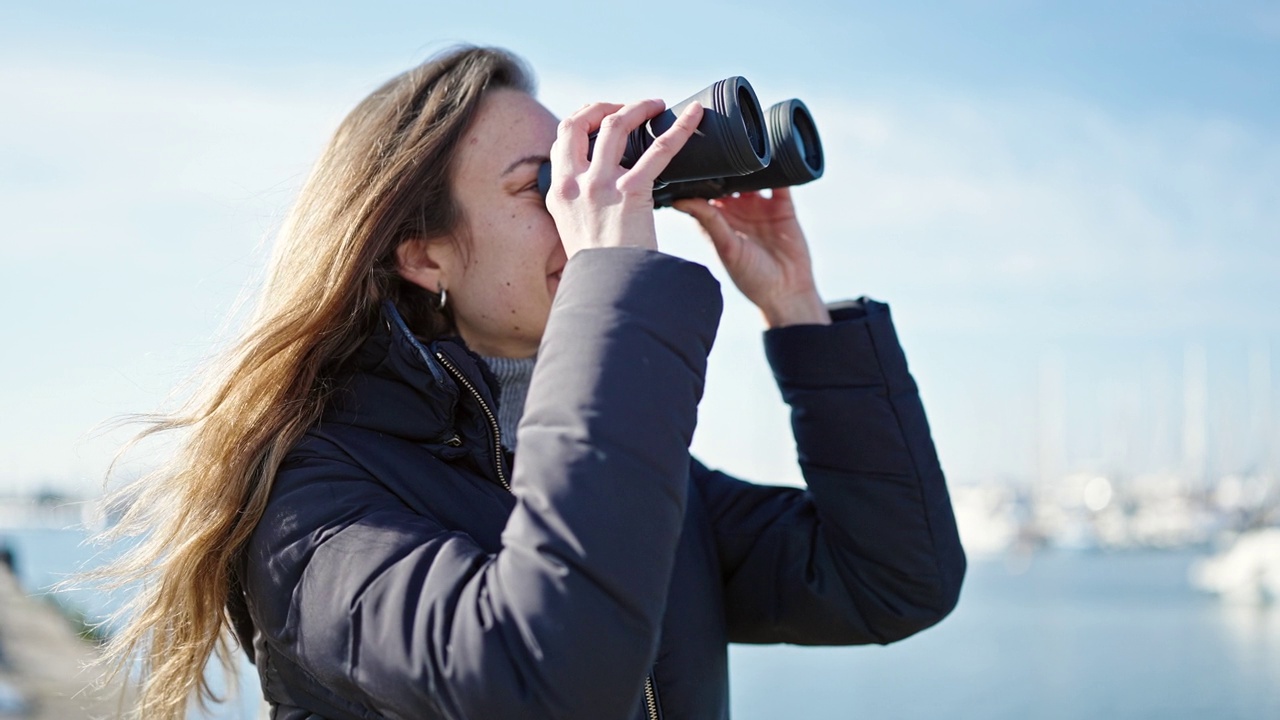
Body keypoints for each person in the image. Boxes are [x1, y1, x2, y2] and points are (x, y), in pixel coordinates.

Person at [100, 46, 965, 720]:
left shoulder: (635, 482)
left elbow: (893, 580)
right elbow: (545, 676)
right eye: (540, 185)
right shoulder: (316, 515)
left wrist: (797, 307)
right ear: (422, 255)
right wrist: (617, 295)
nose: (583, 206)